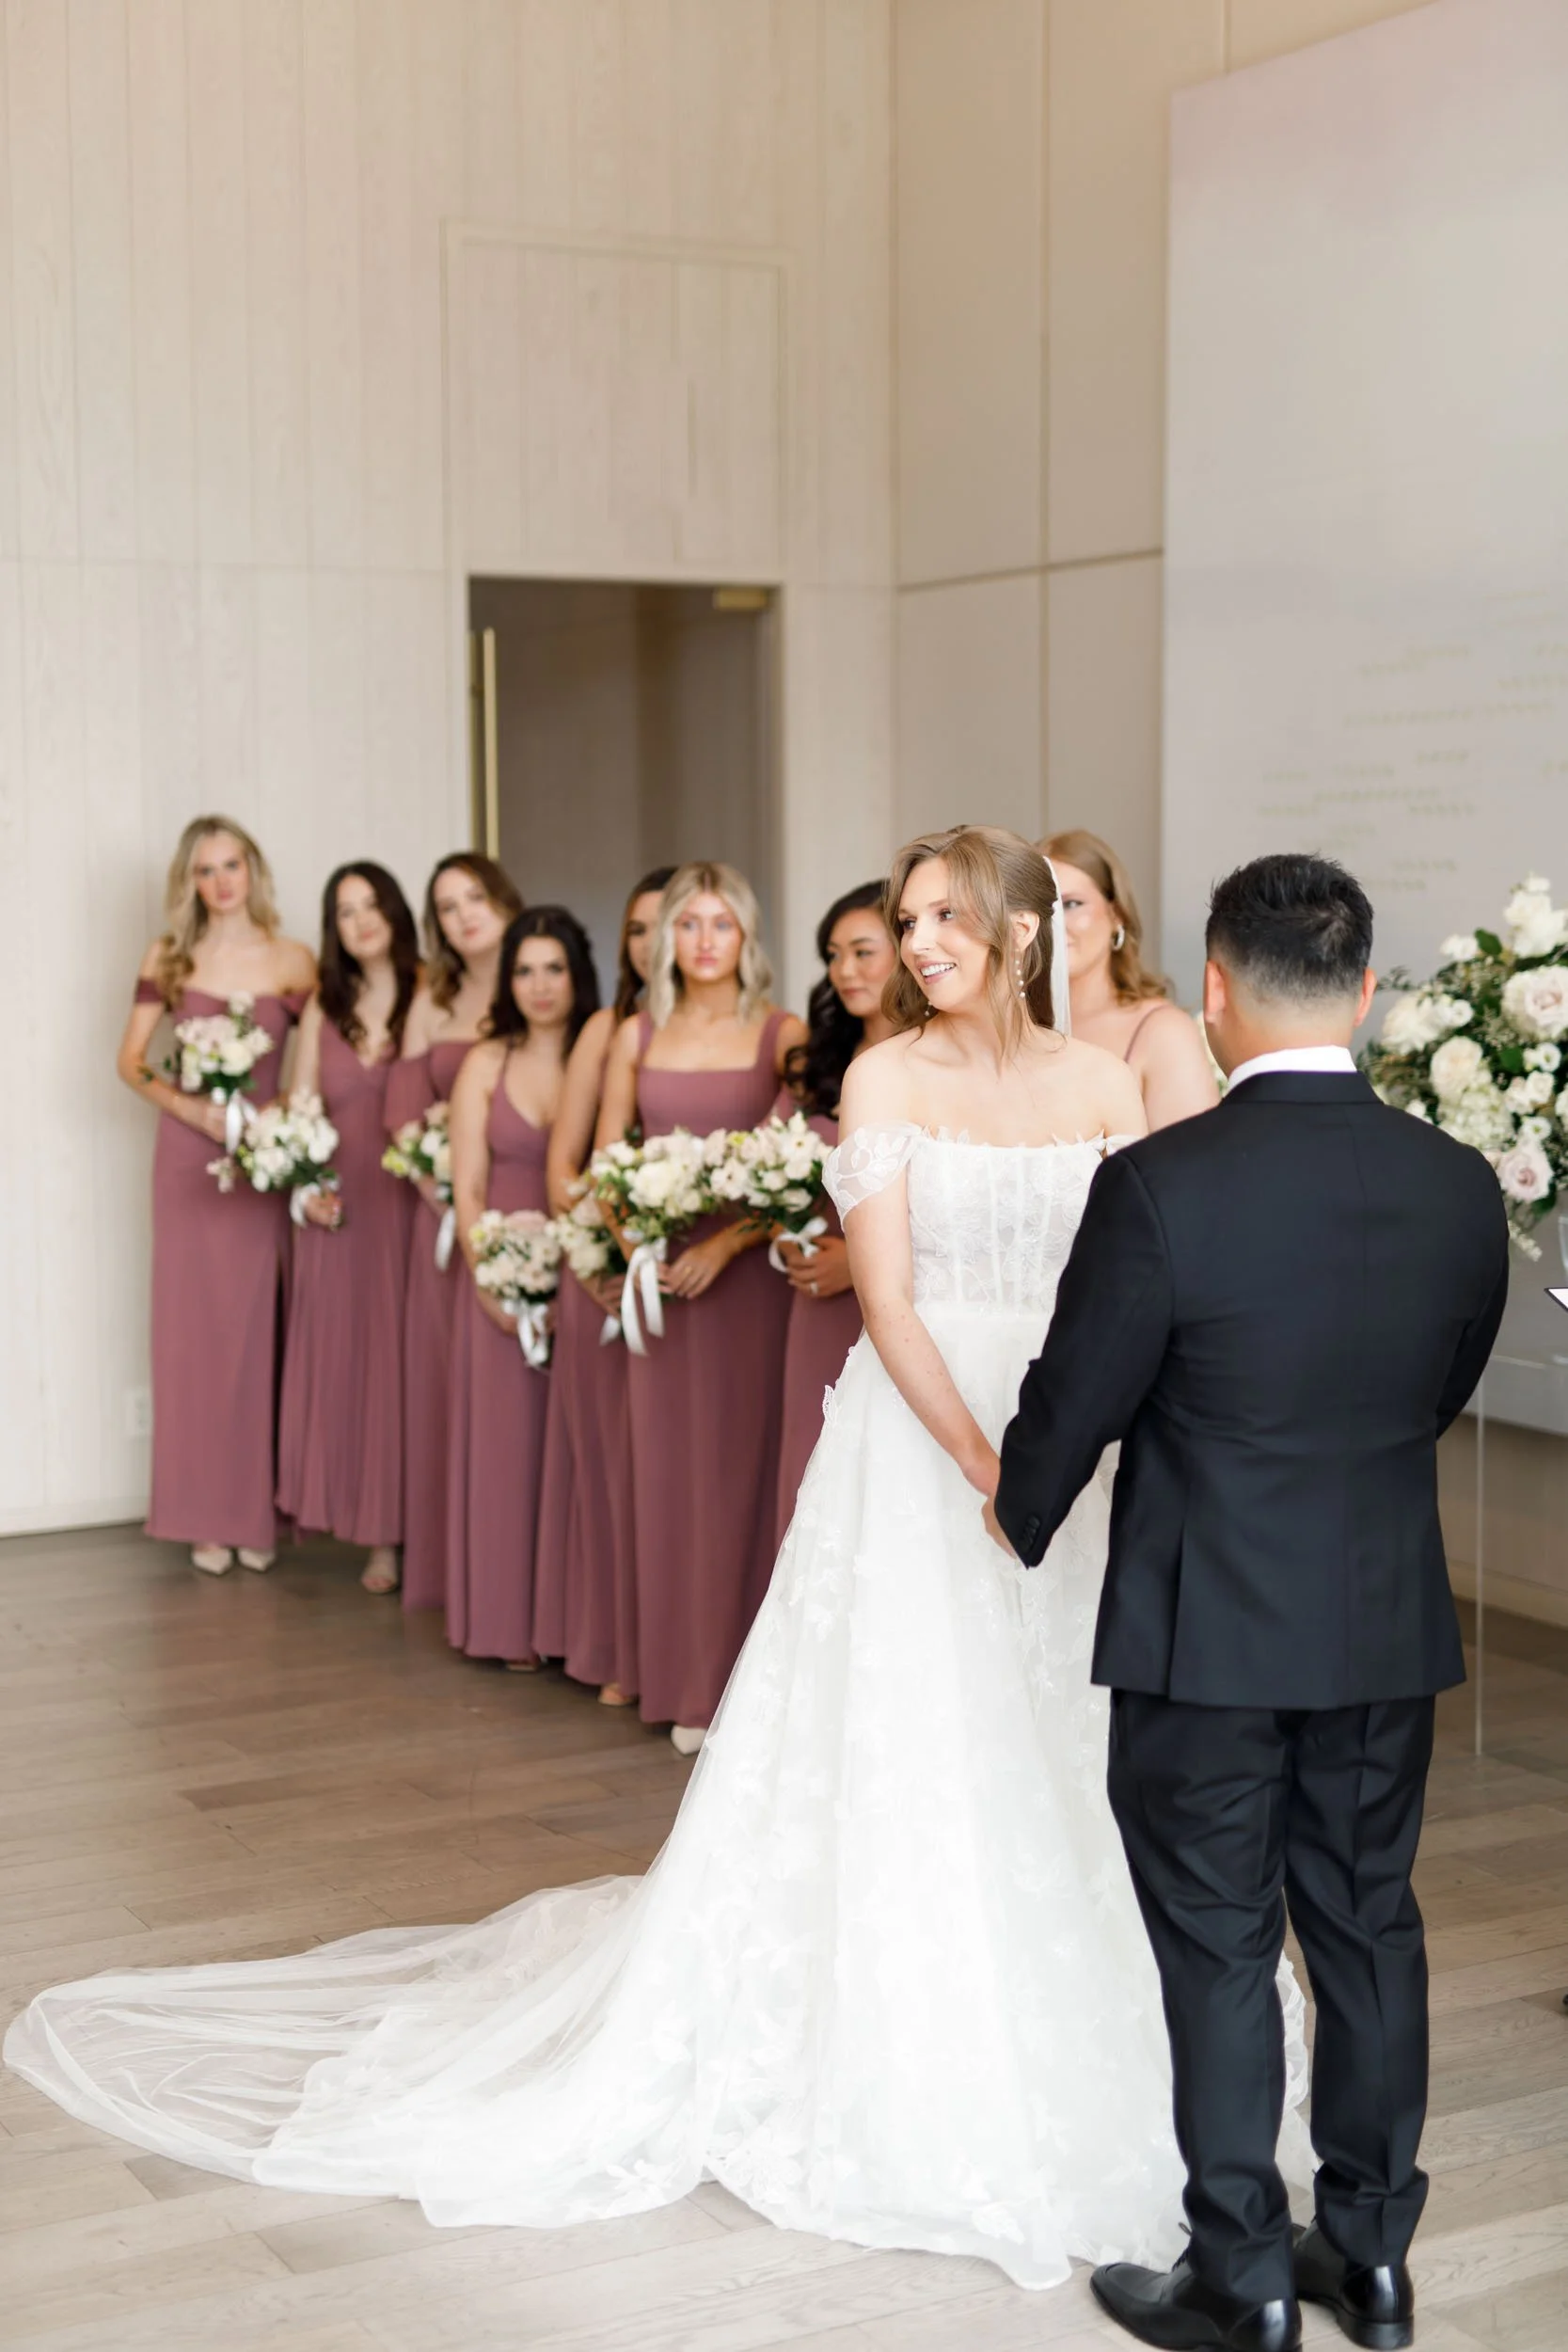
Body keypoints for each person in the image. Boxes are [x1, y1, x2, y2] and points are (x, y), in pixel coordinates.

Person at [7, 825, 1307, 2289]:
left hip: (1080, 1438)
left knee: (1075, 1741)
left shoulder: (1103, 1080)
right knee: (913, 1732)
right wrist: (992, 1469)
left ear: (1018, 929)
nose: (922, 939)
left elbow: (1138, 1278)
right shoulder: (882, 1076)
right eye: (904, 917)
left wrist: (1083, 1449)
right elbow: (885, 1300)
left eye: (947, 916)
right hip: (932, 1445)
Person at [992, 851, 1509, 2352]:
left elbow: (1075, 1397)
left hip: (1199, 1627)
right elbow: (1436, 1391)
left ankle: (1243, 2272)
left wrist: (1016, 1510)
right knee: (1364, 1926)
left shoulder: (1158, 1183)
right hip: (1373, 1619)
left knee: (1217, 1941)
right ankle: (1375, 2258)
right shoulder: (1454, 1181)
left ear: (1209, 992)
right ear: (1361, 992)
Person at [595, 862, 806, 1753]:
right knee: (668, 1480)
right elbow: (609, 1157)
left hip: (748, 1287)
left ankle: (747, 1691)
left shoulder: (779, 1030)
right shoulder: (635, 1032)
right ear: (666, 938)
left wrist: (725, 1244)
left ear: (746, 936)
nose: (706, 941)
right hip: (661, 1293)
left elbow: (799, 1163)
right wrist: (638, 1241)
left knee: (742, 1477)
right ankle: (681, 1678)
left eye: (722, 924)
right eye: (689, 924)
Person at [116, 816, 316, 1576]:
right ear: (189, 882)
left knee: (256, 1329)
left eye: (232, 864)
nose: (222, 881)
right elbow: (130, 1062)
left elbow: (317, 1061)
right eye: (205, 870)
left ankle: (251, 1511)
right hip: (187, 1161)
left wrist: (289, 1128)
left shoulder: (295, 959)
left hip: (261, 1165)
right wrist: (196, 1110)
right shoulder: (169, 956)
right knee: (192, 1338)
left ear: (253, 870)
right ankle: (201, 1512)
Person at [535, 866, 676, 1707]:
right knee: (614, 1471)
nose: (652, 945)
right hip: (605, 1273)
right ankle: (619, 1646)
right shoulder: (607, 1029)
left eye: (667, 926)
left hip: (695, 1279)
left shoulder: (743, 1032)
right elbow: (566, 1167)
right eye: (636, 929)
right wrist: (602, 1259)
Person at [445, 908, 597, 1668]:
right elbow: (466, 1184)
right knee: (506, 1450)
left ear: (577, 974)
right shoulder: (485, 1062)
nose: (540, 986)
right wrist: (486, 1277)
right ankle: (506, 1624)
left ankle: (570, 1628)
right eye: (525, 970)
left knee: (574, 1450)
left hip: (583, 1270)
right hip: (499, 1273)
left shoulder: (599, 1053)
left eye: (554, 969)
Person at [276, 864, 421, 1593]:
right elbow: (298, 1111)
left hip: (410, 1205)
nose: (361, 921)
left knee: (406, 1365)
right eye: (344, 911)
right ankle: (374, 1533)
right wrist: (306, 1193)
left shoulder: (430, 992)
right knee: (354, 1367)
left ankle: (409, 1529)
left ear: (396, 911)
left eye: (372, 905)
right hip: (342, 1210)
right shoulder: (321, 1008)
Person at [388, 853, 522, 1612]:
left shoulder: (542, 977)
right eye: (445, 907)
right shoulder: (430, 998)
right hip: (439, 1218)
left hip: (526, 1205)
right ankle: (450, 1566)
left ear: (502, 901)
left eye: (475, 897)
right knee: (443, 1387)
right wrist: (441, 1194)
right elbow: (402, 1113)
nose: (464, 915)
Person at [772, 880, 898, 1543]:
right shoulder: (816, 1064)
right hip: (812, 1298)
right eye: (832, 954)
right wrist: (781, 1234)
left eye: (861, 952)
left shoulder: (932, 1060)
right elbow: (769, 1164)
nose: (842, 970)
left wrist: (859, 1261)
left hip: (898, 1291)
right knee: (810, 1465)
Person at [1040, 828, 1218, 1128]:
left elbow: (1191, 1167)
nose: (1056, 924)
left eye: (1072, 905)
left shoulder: (1163, 1032)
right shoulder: (1013, 1025)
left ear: (1117, 915)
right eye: (1045, 908)